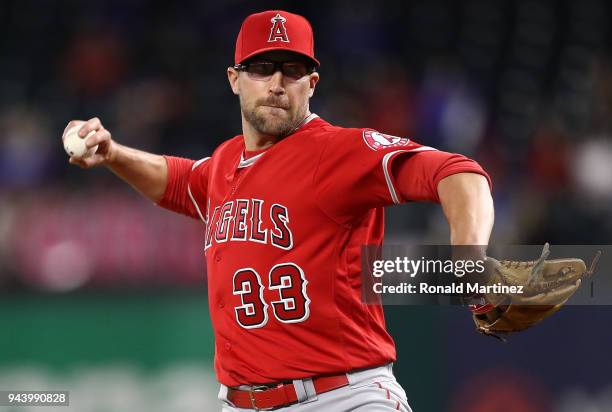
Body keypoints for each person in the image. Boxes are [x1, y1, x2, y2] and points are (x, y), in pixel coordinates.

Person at [63, 10, 494, 412]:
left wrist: (468, 260)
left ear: (312, 83)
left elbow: (459, 173)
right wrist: (114, 152)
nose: (276, 83)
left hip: (345, 396)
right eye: (261, 68)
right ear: (235, 79)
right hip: (242, 401)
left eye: (292, 70)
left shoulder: (338, 151)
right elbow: (177, 180)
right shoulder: (225, 162)